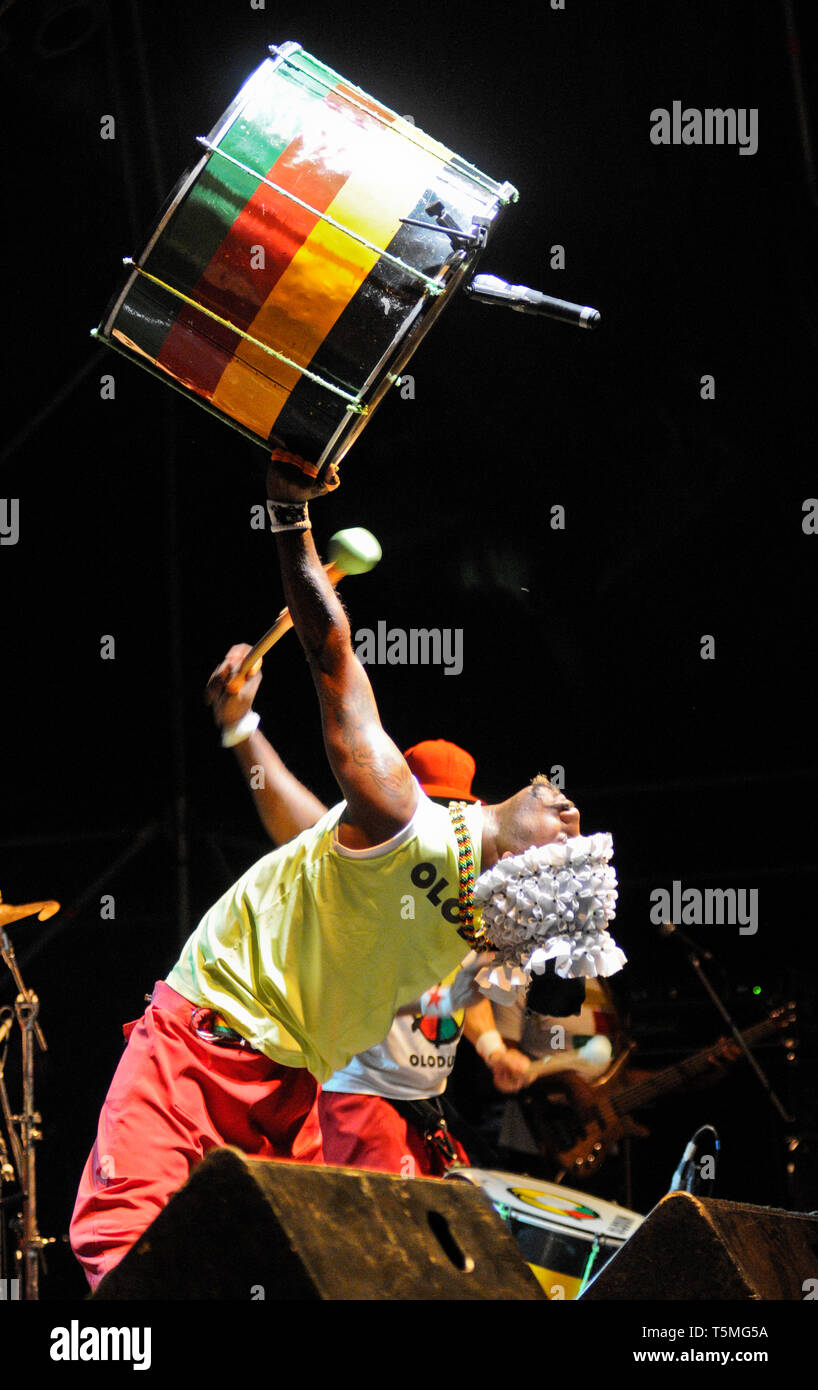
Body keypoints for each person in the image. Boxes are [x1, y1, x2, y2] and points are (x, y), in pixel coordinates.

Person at [69, 458, 594, 1289]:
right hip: (293, 1079)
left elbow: (330, 649)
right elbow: (308, 828)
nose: (569, 809)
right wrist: (240, 729)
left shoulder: (404, 819)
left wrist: (289, 517)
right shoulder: (476, 914)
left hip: (214, 1045)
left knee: (127, 1253)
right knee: (285, 1273)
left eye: (567, 832)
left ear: (524, 861)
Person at [203, 680, 533, 1176]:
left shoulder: (466, 894)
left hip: (422, 1107)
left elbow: (463, 986)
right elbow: (291, 815)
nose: (444, 823)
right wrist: (241, 727)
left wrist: (491, 1050)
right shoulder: (362, 864)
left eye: (455, 812)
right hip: (356, 1098)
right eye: (434, 808)